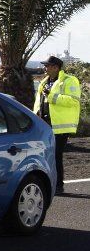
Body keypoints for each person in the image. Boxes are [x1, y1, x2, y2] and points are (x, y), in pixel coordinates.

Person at [32, 56, 82, 194]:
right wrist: (35, 115)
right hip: (45, 124)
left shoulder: (69, 80)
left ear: (55, 67)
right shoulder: (44, 82)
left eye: (47, 65)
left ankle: (59, 186)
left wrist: (52, 96)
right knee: (45, 155)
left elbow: (73, 101)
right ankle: (49, 184)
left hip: (61, 126)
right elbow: (39, 101)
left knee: (56, 155)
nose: (45, 68)